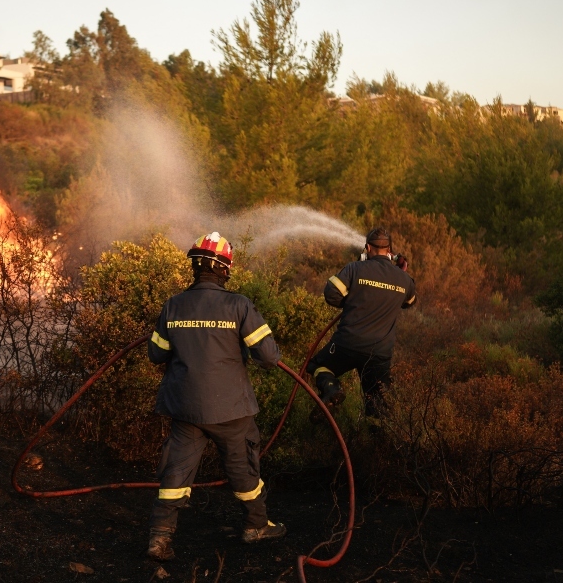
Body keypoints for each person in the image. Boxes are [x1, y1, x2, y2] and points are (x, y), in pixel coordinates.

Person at [145, 232, 286, 562]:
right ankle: (256, 526)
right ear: (225, 269)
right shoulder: (239, 305)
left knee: (176, 472)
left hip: (185, 408)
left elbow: (156, 354)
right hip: (230, 409)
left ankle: (159, 538)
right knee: (242, 469)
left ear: (195, 267)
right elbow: (268, 357)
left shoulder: (173, 305)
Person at [307, 227, 416, 423]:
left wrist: (353, 300)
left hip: (347, 344)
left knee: (318, 365)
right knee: (378, 403)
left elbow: (331, 294)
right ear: (389, 250)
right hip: (379, 352)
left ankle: (332, 390)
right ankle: (376, 434)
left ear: (368, 248)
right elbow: (409, 302)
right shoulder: (405, 279)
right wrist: (400, 275)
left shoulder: (354, 269)